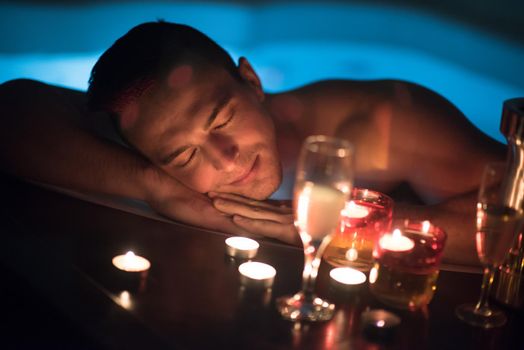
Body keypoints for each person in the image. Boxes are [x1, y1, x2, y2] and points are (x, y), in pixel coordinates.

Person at [0, 21, 506, 266]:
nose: (225, 157)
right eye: (183, 155)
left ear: (252, 80)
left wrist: (351, 227)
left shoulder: (384, 121)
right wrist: (157, 187)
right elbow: (11, 109)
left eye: (222, 118)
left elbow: (514, 217)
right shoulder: (143, 143)